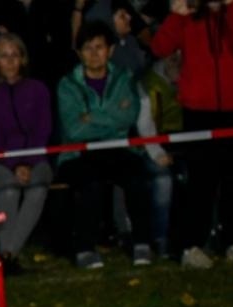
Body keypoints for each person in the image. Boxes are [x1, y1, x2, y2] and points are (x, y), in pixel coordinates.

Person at [151, 0, 233, 265]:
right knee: (200, 180)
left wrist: (231, 5)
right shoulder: (188, 16)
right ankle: (191, 244)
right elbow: (160, 47)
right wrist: (176, 16)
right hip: (199, 109)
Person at [57, 21, 160, 268]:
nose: (94, 53)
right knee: (88, 183)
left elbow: (128, 115)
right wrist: (111, 115)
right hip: (78, 154)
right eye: (87, 48)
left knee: (138, 176)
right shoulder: (67, 85)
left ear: (110, 50)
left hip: (118, 149)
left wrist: (91, 116)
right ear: (79, 53)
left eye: (99, 47)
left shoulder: (125, 79)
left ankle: (142, 244)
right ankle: (85, 249)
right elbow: (74, 129)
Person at [0, 33, 53, 272]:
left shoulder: (38, 90)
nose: (9, 62)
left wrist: (28, 163)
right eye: (3, 56)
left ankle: (8, 253)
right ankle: (7, 258)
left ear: (23, 59)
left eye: (14, 55)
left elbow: (43, 129)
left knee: (38, 189)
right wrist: (14, 165)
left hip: (36, 159)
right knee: (9, 190)